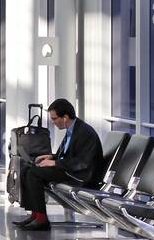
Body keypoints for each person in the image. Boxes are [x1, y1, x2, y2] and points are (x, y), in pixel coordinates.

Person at [14, 98, 105, 231]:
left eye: (55, 118)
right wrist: (52, 157)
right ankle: (35, 215)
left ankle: (41, 220)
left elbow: (83, 163)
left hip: (80, 176)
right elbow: (69, 154)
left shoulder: (84, 133)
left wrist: (55, 162)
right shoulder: (73, 129)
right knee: (26, 169)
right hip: (71, 169)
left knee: (34, 174)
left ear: (65, 117)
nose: (53, 122)